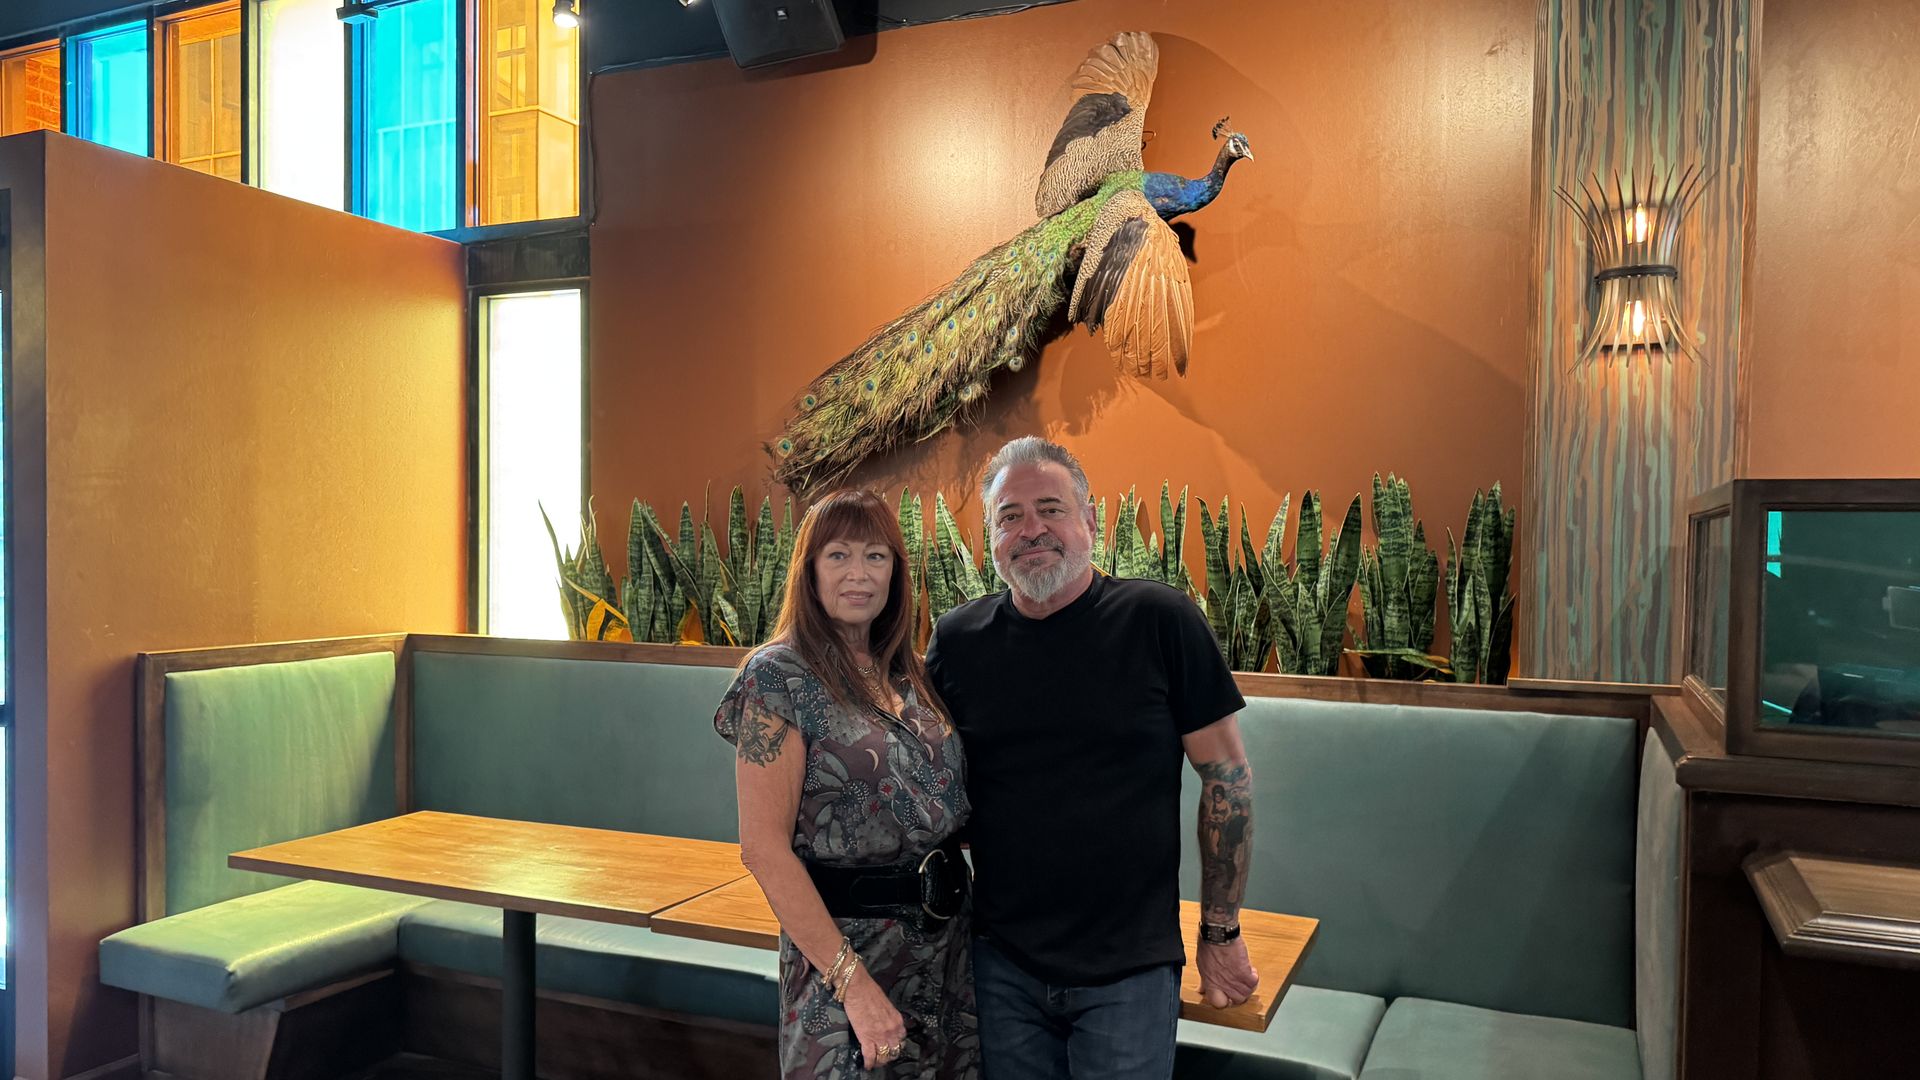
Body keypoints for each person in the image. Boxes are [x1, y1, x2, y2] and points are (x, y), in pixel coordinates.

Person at [925, 436, 1259, 1079]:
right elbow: (927, 775)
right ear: (989, 538)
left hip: (1129, 968)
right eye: (1010, 516)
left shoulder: (1159, 619)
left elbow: (1229, 783)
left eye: (1051, 508)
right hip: (1001, 963)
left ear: (1091, 522)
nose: (1032, 530)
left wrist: (1220, 932)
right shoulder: (958, 639)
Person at [715, 489, 980, 1078]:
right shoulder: (778, 677)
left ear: (896, 571)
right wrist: (853, 988)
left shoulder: (909, 672)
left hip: (946, 961)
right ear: (809, 572)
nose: (858, 574)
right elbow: (763, 849)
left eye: (875, 556)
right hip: (847, 959)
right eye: (838, 556)